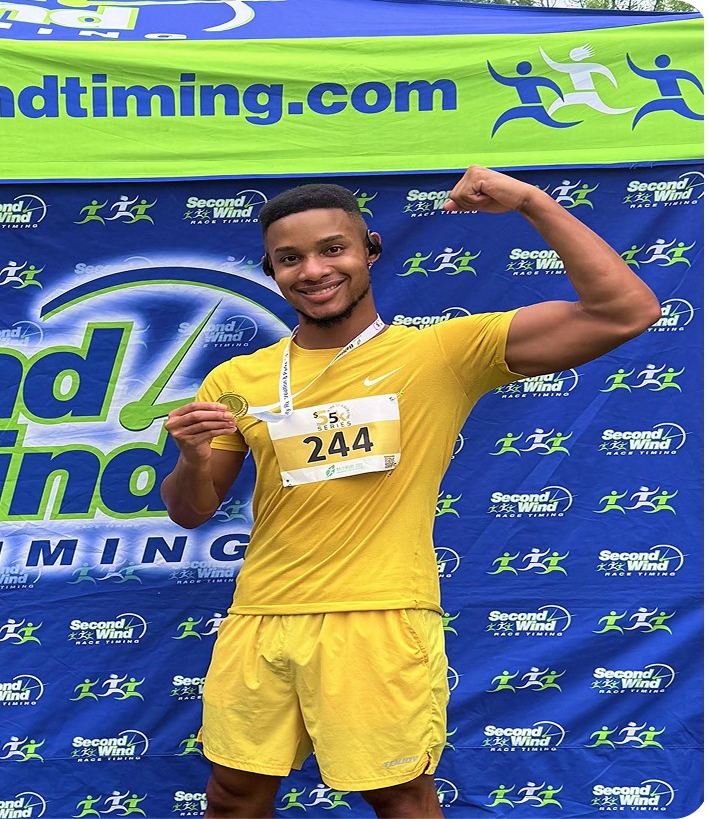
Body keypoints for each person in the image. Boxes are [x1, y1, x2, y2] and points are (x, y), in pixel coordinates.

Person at [160, 165, 659, 818]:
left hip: (379, 615)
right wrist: (193, 458)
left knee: (400, 796)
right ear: (272, 270)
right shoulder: (238, 377)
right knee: (232, 796)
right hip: (261, 616)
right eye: (290, 258)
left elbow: (627, 311)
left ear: (370, 249)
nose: (313, 270)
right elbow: (191, 510)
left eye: (332, 249)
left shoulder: (441, 353)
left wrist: (531, 202)